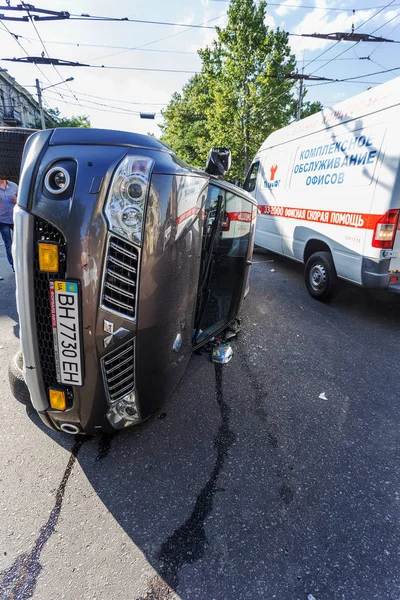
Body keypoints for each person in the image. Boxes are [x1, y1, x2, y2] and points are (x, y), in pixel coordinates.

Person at [0, 178, 18, 273]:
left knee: (20, 242)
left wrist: (17, 200)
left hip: (15, 219)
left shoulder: (14, 186)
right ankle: (13, 265)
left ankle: (22, 263)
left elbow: (24, 199)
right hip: (2, 220)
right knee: (8, 244)